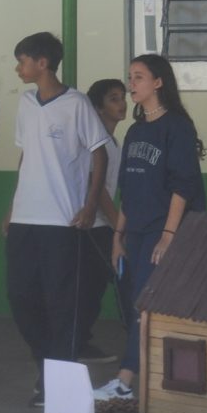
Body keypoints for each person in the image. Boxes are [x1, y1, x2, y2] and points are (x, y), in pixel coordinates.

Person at [1, 33, 108, 407]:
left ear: (42, 63)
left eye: (23, 61)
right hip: (25, 218)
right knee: (20, 296)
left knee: (62, 303)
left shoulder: (76, 104)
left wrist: (90, 205)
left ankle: (58, 384)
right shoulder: (26, 103)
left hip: (63, 222)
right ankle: (46, 365)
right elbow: (26, 156)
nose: (18, 68)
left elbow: (99, 154)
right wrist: (12, 206)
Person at [95, 54, 205, 401]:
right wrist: (118, 236)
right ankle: (155, 380)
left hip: (163, 230)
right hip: (136, 232)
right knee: (137, 305)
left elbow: (182, 186)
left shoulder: (177, 127)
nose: (132, 84)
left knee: (146, 304)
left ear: (158, 82)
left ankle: (125, 381)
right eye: (130, 77)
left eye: (139, 77)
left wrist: (169, 236)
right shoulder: (135, 130)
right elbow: (127, 190)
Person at [77, 77, 127, 364]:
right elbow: (97, 190)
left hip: (105, 224)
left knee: (94, 286)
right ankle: (78, 342)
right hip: (95, 226)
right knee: (94, 285)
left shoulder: (113, 142)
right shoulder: (98, 143)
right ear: (97, 107)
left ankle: (79, 339)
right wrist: (119, 225)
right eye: (113, 99)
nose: (122, 104)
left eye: (122, 97)